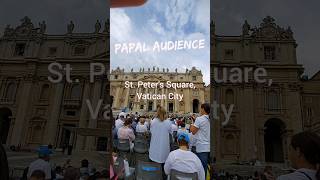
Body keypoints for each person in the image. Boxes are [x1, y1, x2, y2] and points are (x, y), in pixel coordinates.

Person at [190, 103, 211, 177]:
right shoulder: (209, 118)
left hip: (202, 148)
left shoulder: (199, 119)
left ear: (203, 109)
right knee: (209, 168)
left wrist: (192, 124)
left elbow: (193, 131)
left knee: (202, 169)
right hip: (210, 147)